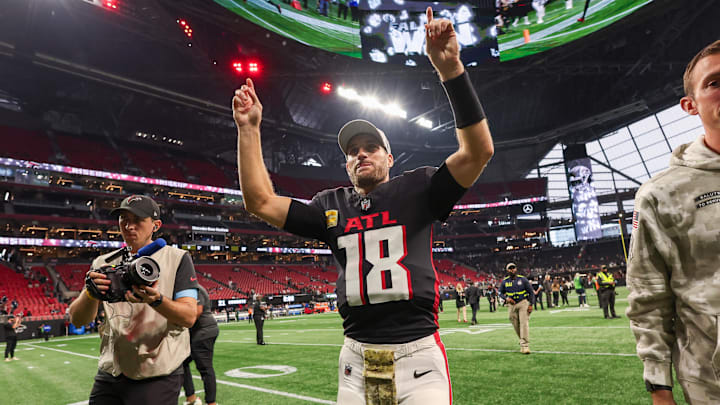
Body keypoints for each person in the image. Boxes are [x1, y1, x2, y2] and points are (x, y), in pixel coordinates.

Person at [233, 7, 493, 404]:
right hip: (354, 358)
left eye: (372, 147)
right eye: (353, 151)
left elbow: (478, 152)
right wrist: (249, 130)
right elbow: (260, 201)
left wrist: (451, 71)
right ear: (345, 164)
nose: (361, 154)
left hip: (418, 355)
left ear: (391, 158)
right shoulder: (330, 206)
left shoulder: (418, 189)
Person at [627, 40, 720, 405]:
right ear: (690, 105)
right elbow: (649, 299)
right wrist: (659, 389)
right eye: (714, 82)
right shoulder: (661, 195)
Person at [68, 195, 199, 405]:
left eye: (137, 220)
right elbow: (78, 321)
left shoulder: (177, 259)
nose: (128, 226)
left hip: (156, 373)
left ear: (155, 225)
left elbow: (189, 317)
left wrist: (156, 300)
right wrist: (90, 292)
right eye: (123, 219)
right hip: (111, 371)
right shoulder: (103, 263)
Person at [182, 285, 219, 405]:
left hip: (203, 331)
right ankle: (191, 398)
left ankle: (210, 403)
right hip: (202, 330)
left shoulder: (192, 287)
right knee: (182, 362)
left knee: (205, 368)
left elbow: (197, 311)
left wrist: (180, 323)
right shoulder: (194, 287)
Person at [498, 263, 534, 354]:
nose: (512, 270)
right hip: (511, 305)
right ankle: (522, 340)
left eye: (513, 268)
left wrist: (531, 304)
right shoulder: (505, 282)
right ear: (507, 270)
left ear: (516, 269)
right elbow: (499, 293)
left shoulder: (523, 279)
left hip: (523, 303)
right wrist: (506, 299)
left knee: (524, 323)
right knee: (515, 324)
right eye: (510, 268)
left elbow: (531, 292)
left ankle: (525, 345)